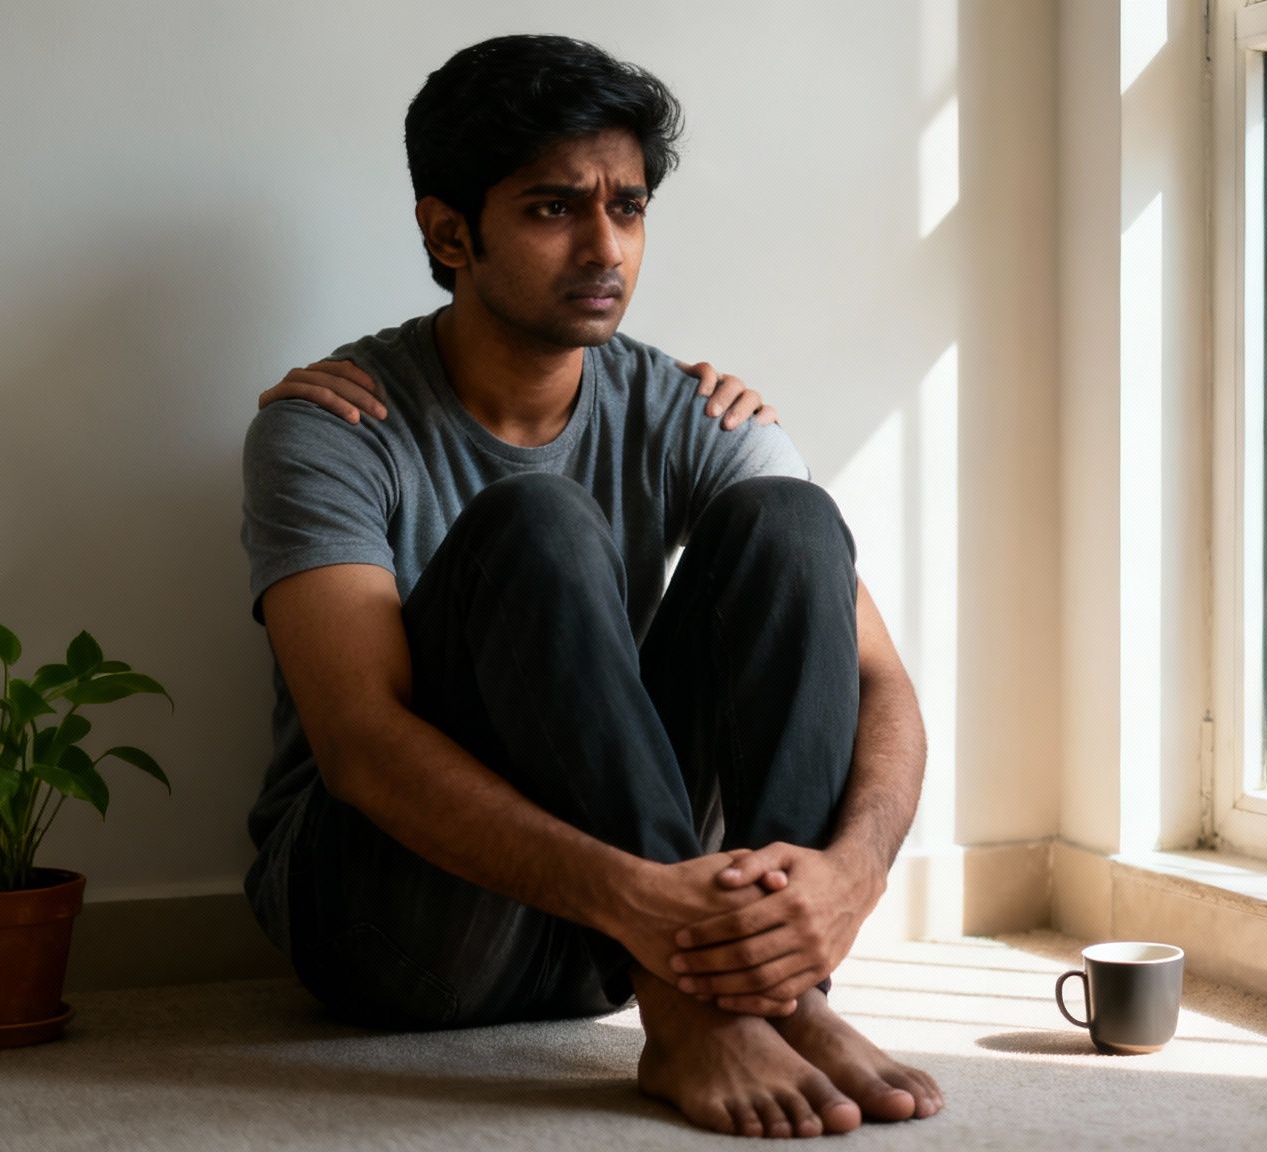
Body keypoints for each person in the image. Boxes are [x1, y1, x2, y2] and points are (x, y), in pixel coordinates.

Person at [236, 33, 941, 1139]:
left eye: (629, 206)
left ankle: (778, 996)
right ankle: (696, 1005)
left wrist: (849, 877)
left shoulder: (689, 410)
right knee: (540, 522)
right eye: (553, 208)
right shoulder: (333, 426)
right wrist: (645, 906)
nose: (605, 247)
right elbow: (359, 745)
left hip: (621, 933)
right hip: (400, 931)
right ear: (449, 233)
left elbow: (879, 680)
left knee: (792, 517)